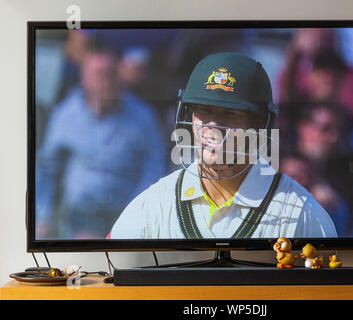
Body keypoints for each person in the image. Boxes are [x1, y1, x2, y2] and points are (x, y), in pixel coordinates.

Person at [110, 52, 337, 239]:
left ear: (259, 125)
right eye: (204, 111)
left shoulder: (300, 213)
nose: (213, 126)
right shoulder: (153, 206)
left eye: (230, 114)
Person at [36, 48, 166, 239]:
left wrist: (139, 210)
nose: (107, 82)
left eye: (112, 74)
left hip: (126, 212)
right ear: (84, 80)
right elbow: (47, 166)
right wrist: (42, 215)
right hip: (79, 214)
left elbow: (155, 166)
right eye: (99, 75)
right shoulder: (66, 114)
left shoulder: (142, 115)